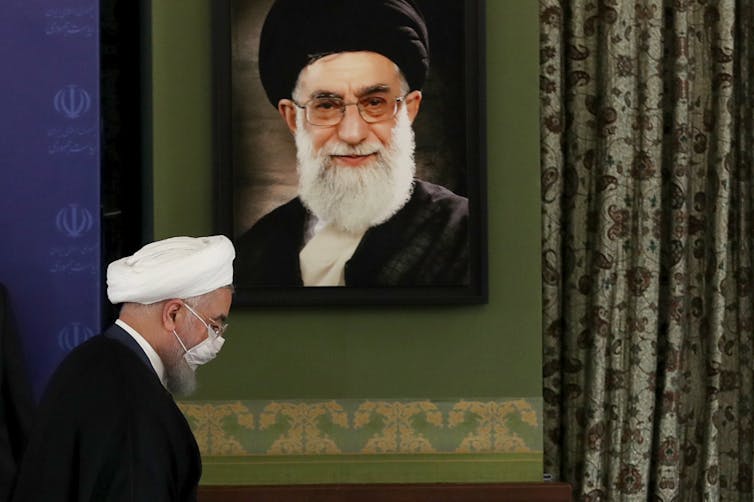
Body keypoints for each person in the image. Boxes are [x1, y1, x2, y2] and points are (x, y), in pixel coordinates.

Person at [234, 0, 469, 288]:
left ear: (409, 109)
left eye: (374, 103)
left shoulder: (465, 233)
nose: (352, 133)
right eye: (327, 105)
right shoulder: (254, 252)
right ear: (293, 118)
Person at [12, 235, 235, 502]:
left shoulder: (88, 360)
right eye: (214, 325)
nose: (217, 339)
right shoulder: (135, 404)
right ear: (173, 314)